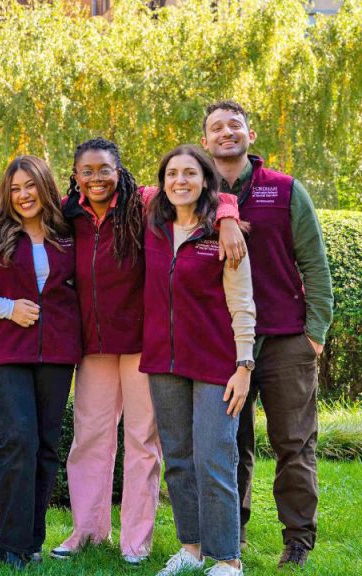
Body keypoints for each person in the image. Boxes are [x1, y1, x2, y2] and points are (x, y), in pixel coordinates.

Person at [53, 137, 245, 565]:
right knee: (89, 440)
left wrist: (229, 217)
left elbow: (204, 190)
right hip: (93, 346)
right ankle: (87, 530)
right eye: (87, 171)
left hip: (144, 344)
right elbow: (18, 212)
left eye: (105, 169)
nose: (97, 178)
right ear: (76, 175)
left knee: (142, 442)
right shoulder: (68, 214)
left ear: (119, 171)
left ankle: (135, 541)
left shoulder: (143, 204)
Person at [201, 100, 333, 569]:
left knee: (293, 443)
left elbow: (314, 265)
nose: (226, 133)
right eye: (216, 128)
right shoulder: (195, 191)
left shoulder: (285, 190)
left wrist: (313, 334)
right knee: (228, 445)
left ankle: (298, 538)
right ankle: (228, 536)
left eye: (234, 125)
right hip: (222, 342)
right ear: (205, 142)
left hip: (284, 340)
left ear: (250, 135)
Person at [0, 155, 79, 570]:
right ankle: (10, 544)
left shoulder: (68, 231)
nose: (23, 195)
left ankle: (32, 541)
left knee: (44, 446)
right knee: (17, 440)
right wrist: (8, 308)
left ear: (46, 186)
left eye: (31, 186)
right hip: (8, 350)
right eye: (15, 188)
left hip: (58, 351)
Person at [140, 144, 255, 576]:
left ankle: (228, 558)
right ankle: (191, 548)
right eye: (172, 174)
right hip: (163, 363)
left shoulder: (225, 234)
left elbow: (242, 303)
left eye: (190, 173)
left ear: (206, 180)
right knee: (179, 458)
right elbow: (107, 186)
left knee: (213, 457)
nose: (180, 181)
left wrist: (244, 366)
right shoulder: (151, 226)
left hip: (215, 364)